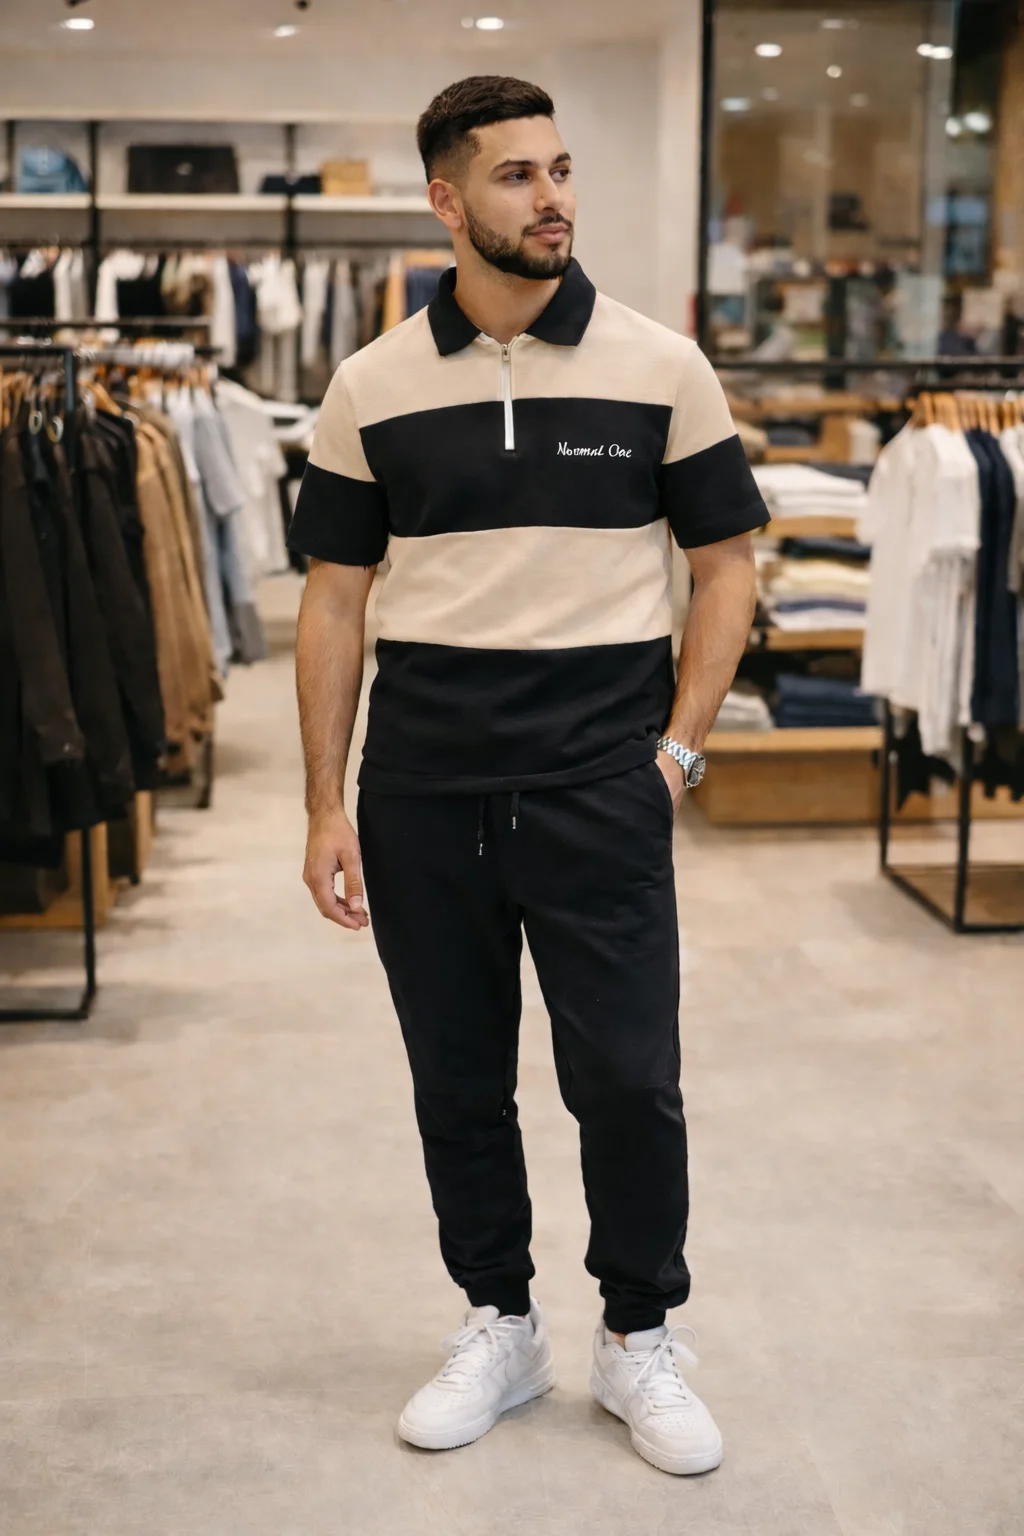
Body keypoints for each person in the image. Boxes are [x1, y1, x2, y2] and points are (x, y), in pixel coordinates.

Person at [289, 75, 766, 1477]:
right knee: (456, 1079)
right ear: (446, 201)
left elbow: (726, 568)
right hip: (423, 788)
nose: (552, 198)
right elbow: (334, 598)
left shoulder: (661, 365)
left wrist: (677, 750)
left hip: (598, 783)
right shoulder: (370, 385)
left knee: (627, 1080)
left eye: (560, 170)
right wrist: (323, 800)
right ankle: (500, 1321)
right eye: (516, 176)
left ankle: (638, 1335)